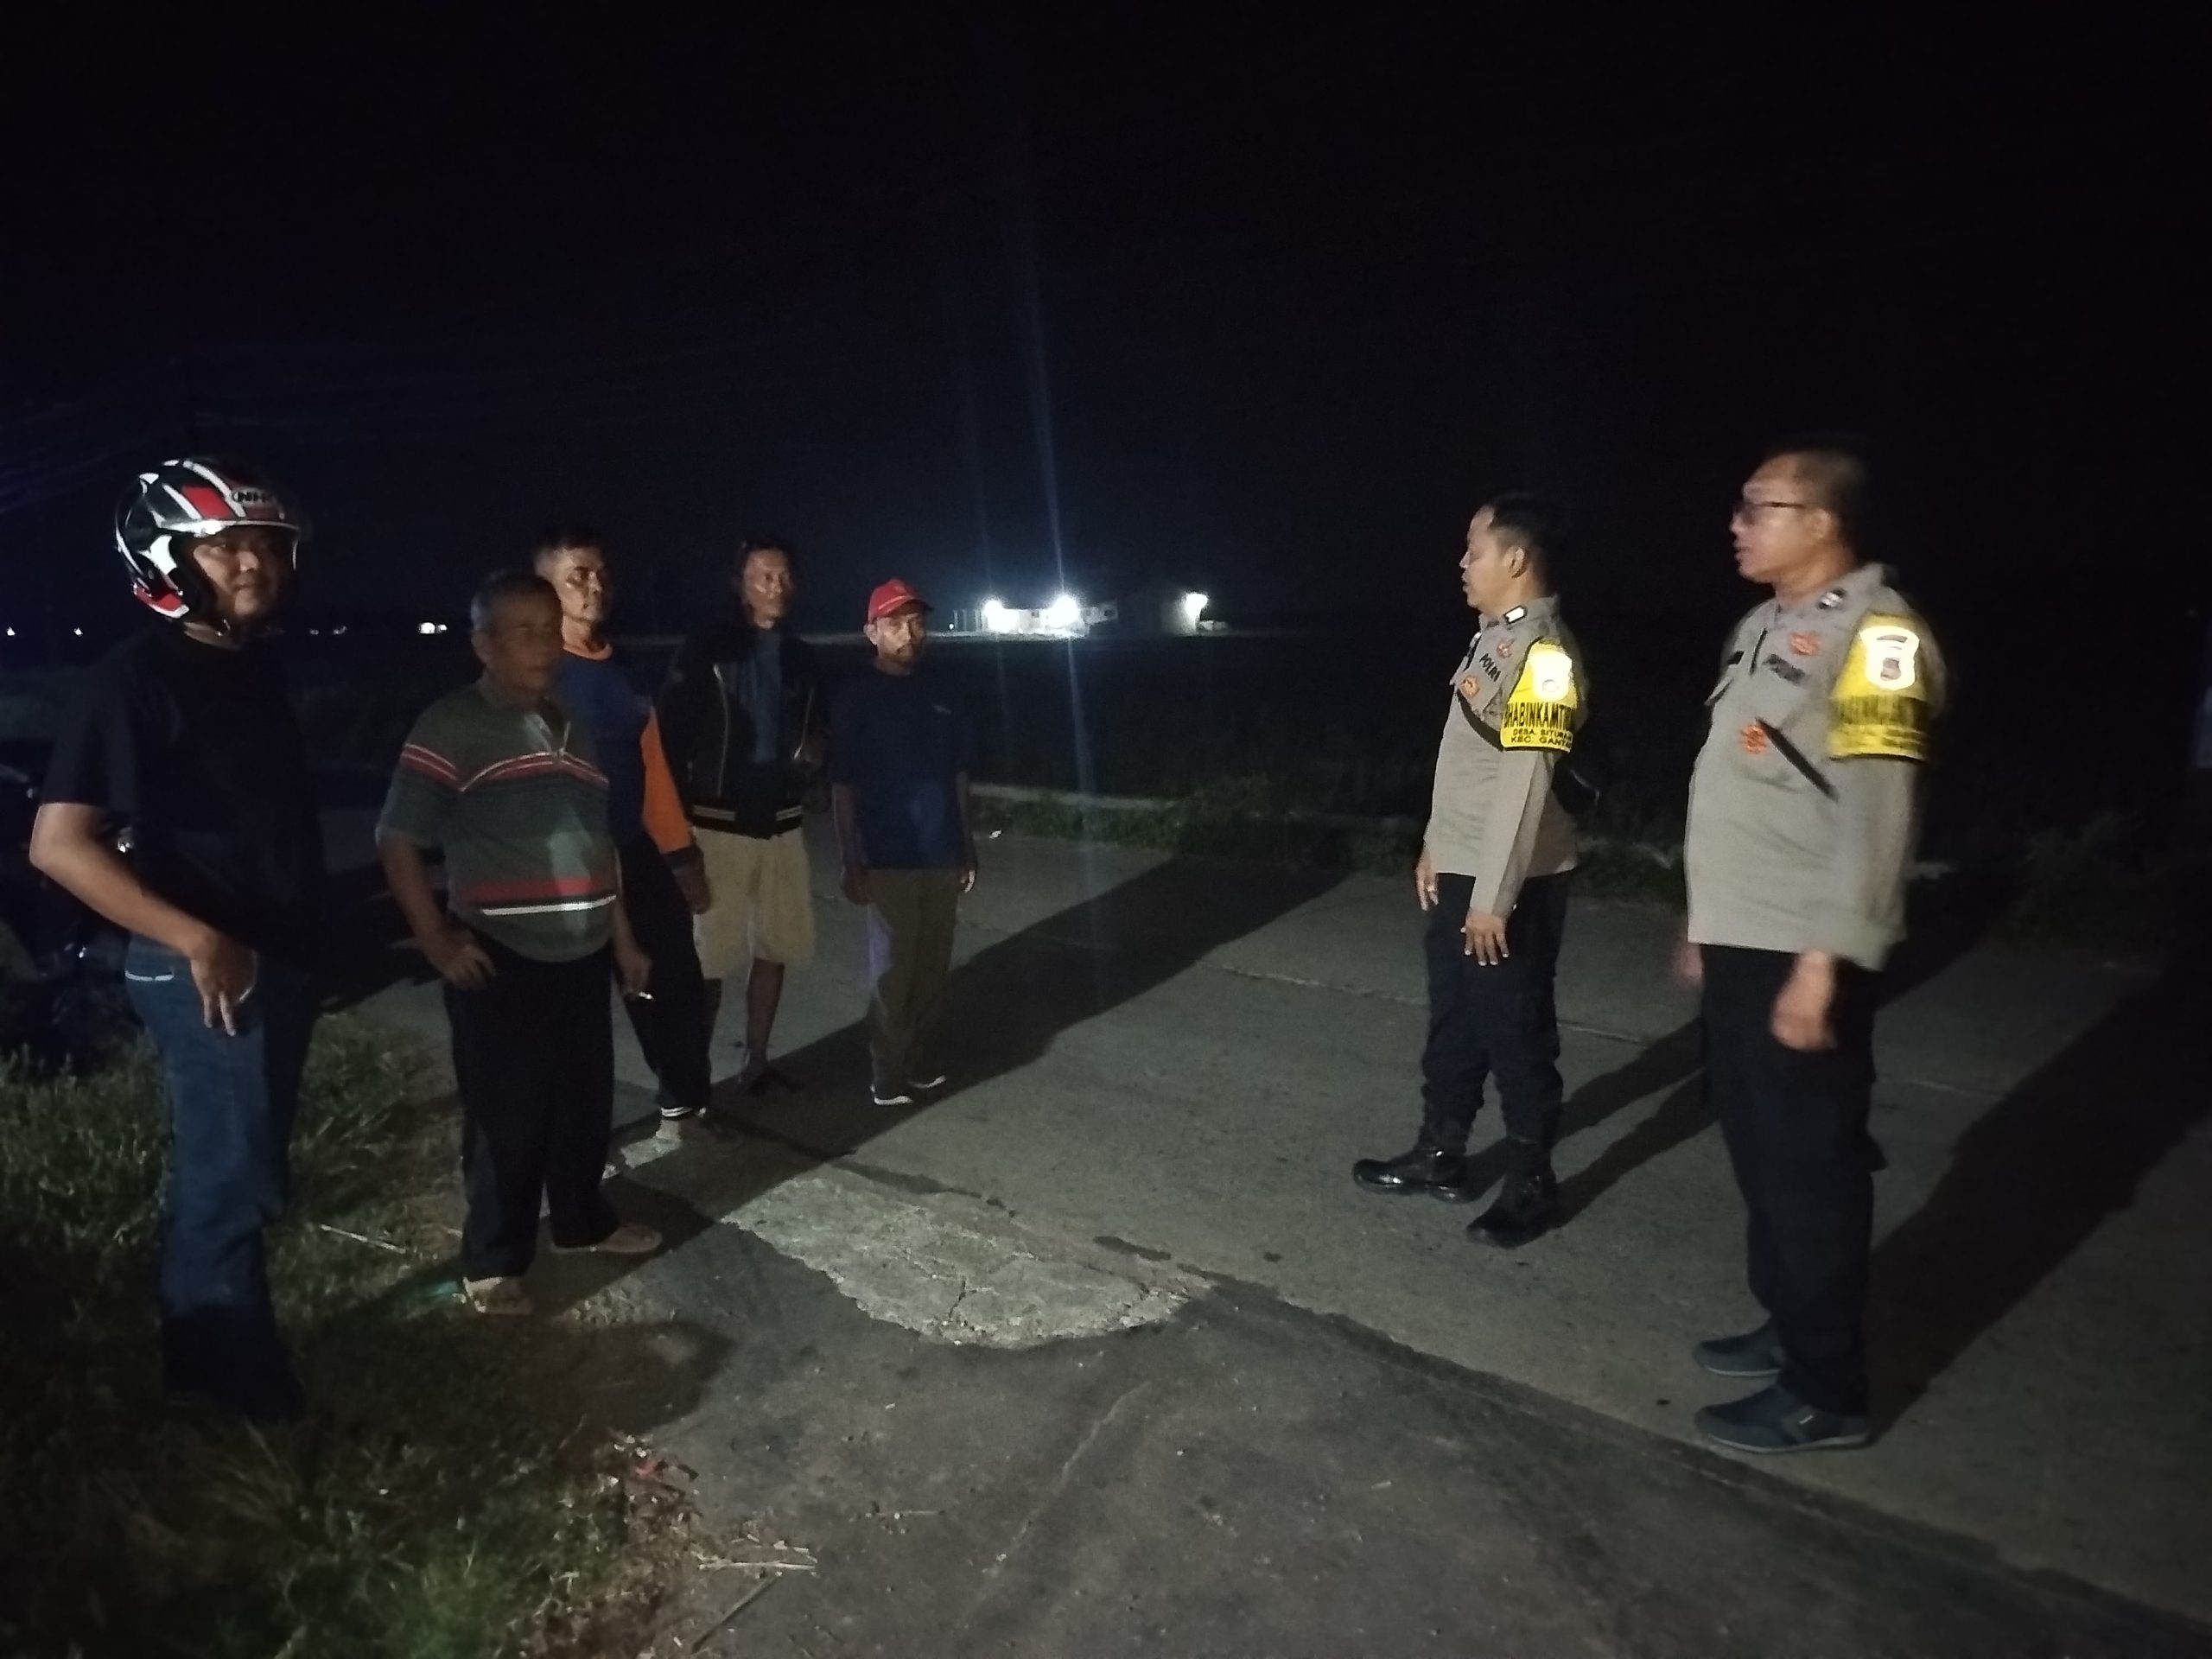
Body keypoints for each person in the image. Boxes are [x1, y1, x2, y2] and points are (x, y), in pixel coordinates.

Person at [30, 458, 324, 1421]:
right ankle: (237, 1392)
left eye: (266, 544)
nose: (254, 563)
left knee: (250, 1167)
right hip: (202, 964)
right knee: (231, 1180)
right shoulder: (129, 679)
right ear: (165, 558)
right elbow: (58, 846)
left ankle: (203, 1362)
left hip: (270, 955)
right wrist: (196, 938)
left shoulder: (251, 662)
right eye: (225, 546)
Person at [1680, 436, 1943, 1453]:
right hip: (1741, 933)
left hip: (1802, 946)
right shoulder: (1761, 627)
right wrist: (1702, 924)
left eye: (1760, 506)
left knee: (1809, 1168)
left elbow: (1878, 816)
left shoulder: (1880, 638)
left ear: (1821, 523)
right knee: (1758, 1150)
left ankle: (1826, 1389)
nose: (1736, 523)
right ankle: (1788, 1324)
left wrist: (1826, 963)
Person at [377, 571, 663, 1316]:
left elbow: (599, 842)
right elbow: (397, 838)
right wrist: (437, 940)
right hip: (500, 954)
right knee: (507, 1115)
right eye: (523, 631)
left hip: (583, 950)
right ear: (484, 645)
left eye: (549, 629)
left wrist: (623, 939)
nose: (543, 644)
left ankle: (580, 1223)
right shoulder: (452, 724)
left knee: (582, 1103)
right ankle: (494, 1261)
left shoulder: (574, 723)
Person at [1352, 495, 1588, 1247]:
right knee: (1454, 1019)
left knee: (1515, 1032)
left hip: (1511, 881)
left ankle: (1531, 1181)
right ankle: (1441, 1153)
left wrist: (1494, 896)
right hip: (1463, 868)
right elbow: (1463, 764)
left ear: (1515, 559)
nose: (1462, 563)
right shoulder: (1494, 638)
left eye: (1474, 550)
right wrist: (1435, 844)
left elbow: (1525, 781)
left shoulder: (1543, 655)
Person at [534, 525, 721, 1143]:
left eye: (601, 574)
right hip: (567, 868)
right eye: (576, 576)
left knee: (676, 984)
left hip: (637, 853)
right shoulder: (541, 674)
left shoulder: (624, 668)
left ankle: (683, 1108)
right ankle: (569, 1146)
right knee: (578, 1010)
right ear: (546, 589)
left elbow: (654, 767)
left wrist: (680, 853)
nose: (594, 586)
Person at [657, 539, 826, 1092]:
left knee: (774, 949)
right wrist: (677, 839)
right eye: (763, 576)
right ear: (740, 584)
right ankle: (690, 1084)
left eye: (784, 576)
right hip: (717, 823)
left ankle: (756, 1062)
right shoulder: (707, 647)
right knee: (707, 963)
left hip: (782, 822)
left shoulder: (803, 657)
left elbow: (816, 729)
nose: (776, 586)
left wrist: (815, 756)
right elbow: (667, 738)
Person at [830, 580, 978, 1107]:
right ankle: (886, 1075)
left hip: (941, 853)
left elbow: (958, 774)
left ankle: (917, 1060)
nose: (909, 633)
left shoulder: (943, 694)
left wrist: (966, 845)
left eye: (916, 622)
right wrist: (851, 860)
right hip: (887, 855)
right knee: (893, 971)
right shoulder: (856, 698)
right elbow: (843, 785)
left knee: (932, 970)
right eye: (894, 624)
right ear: (871, 632)